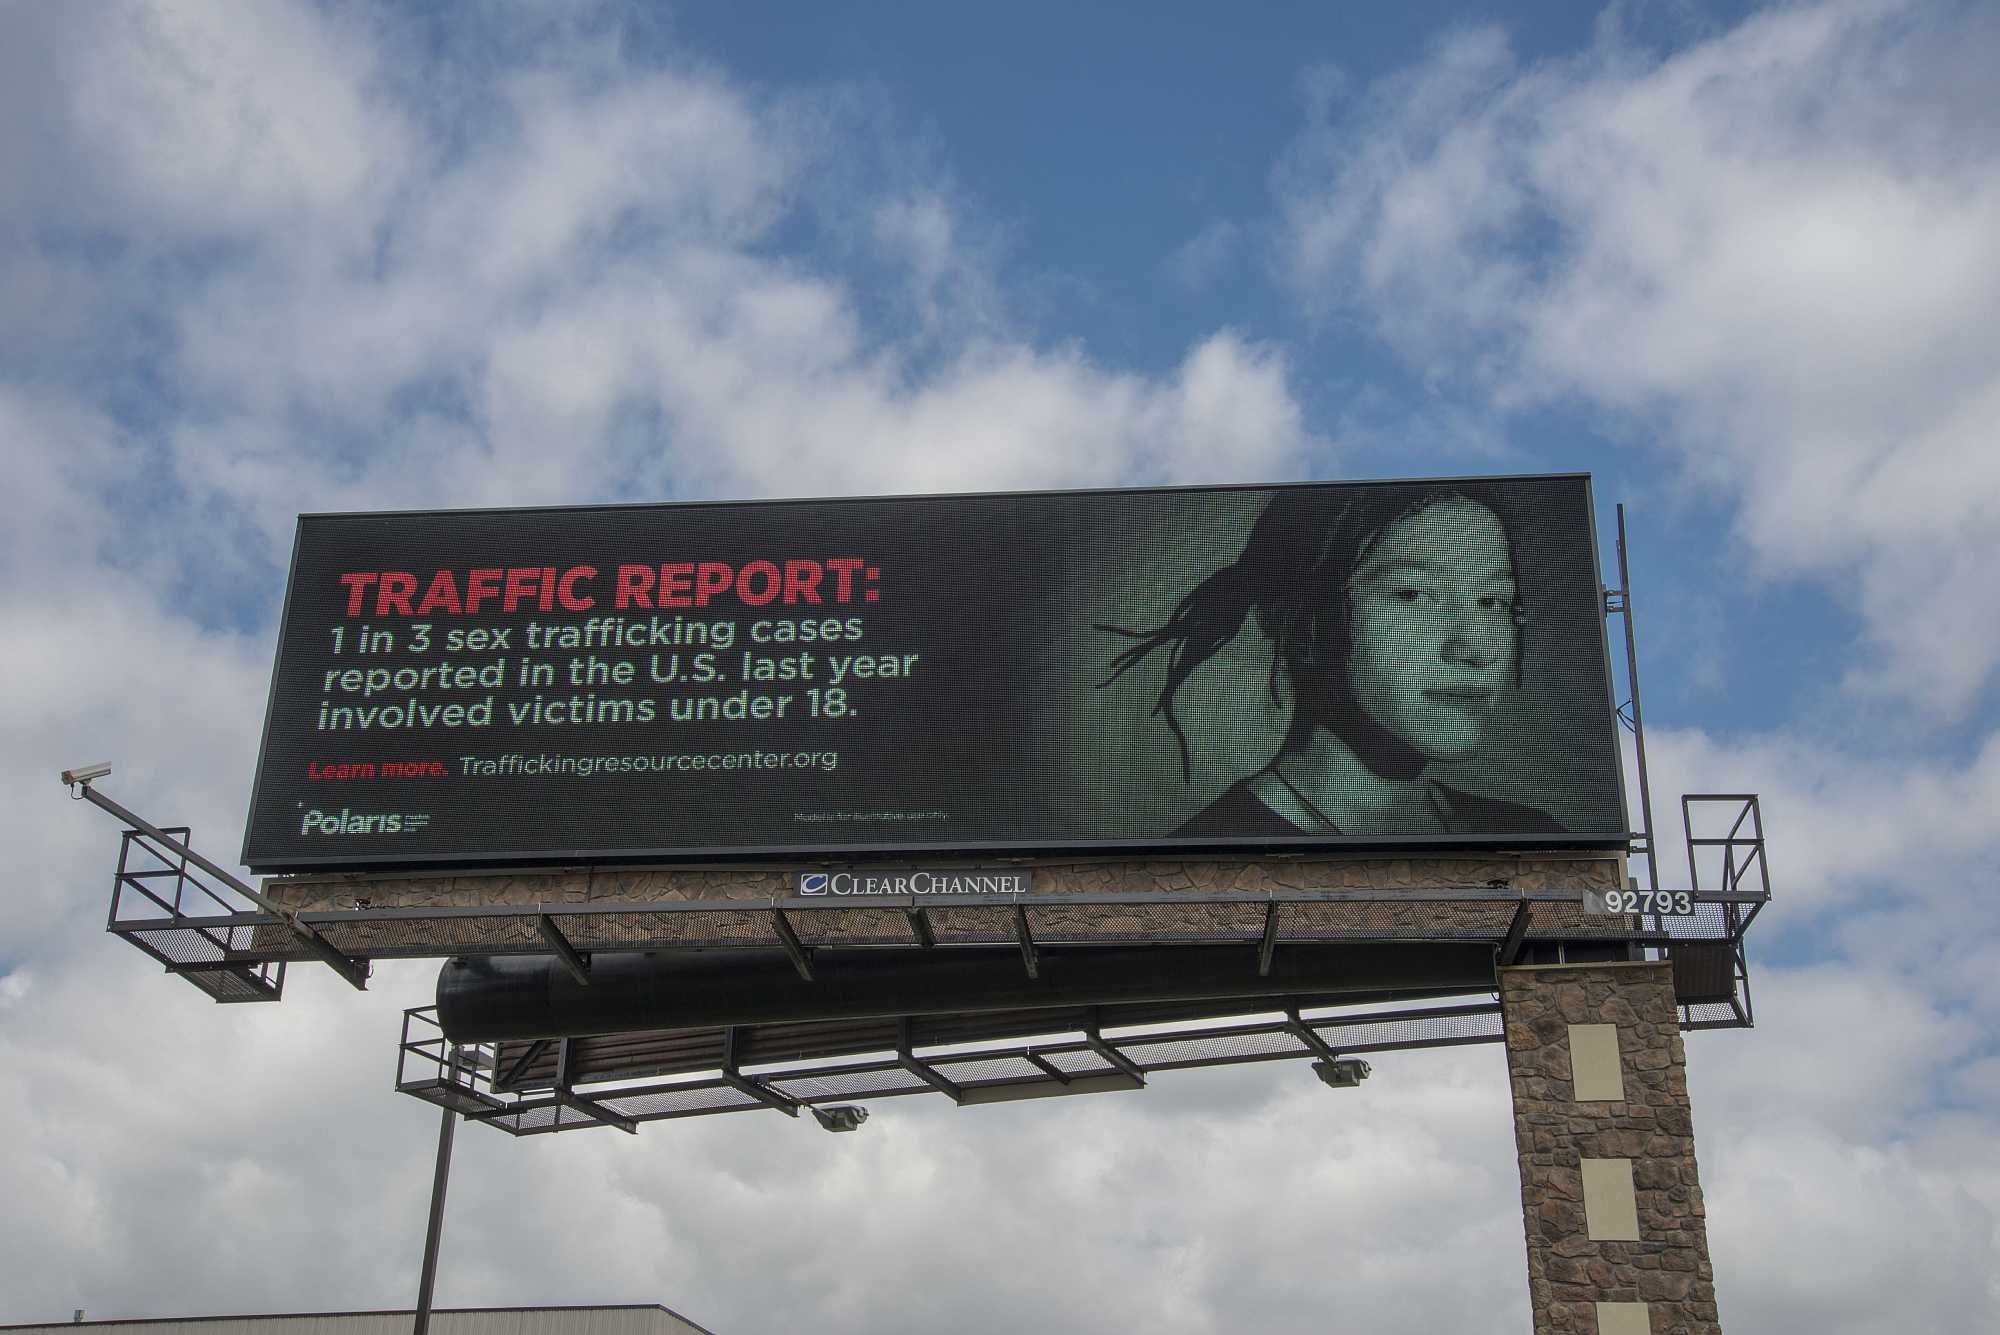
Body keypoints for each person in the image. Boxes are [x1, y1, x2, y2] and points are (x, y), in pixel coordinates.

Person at [1098, 481, 1565, 836]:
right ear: (1300, 616)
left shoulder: (1535, 842)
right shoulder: (1206, 863)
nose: (1474, 647)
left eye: (1495, 601)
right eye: (1412, 594)